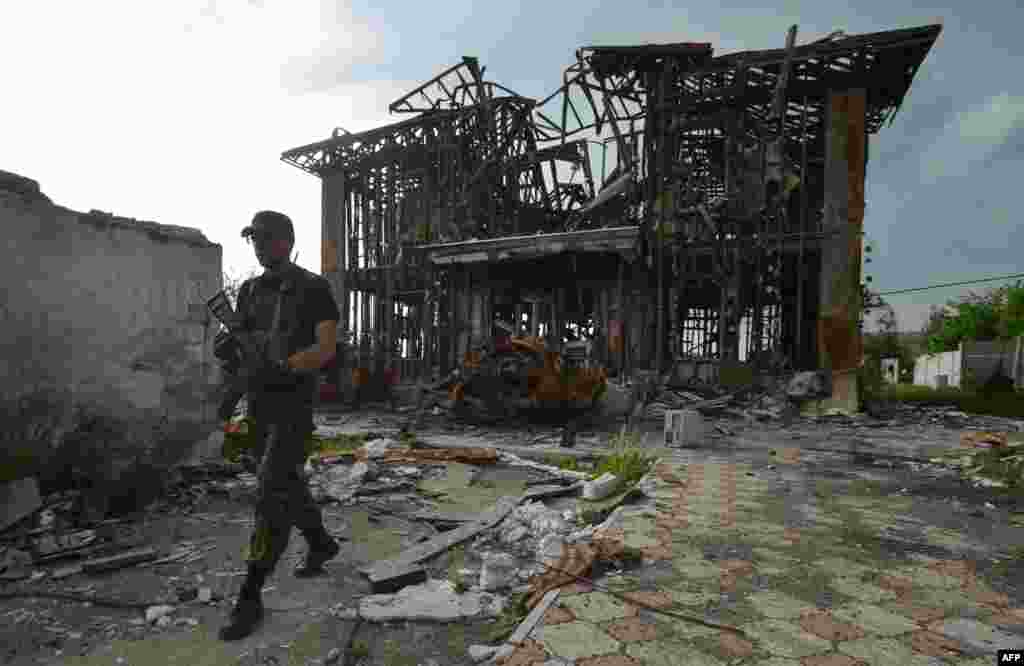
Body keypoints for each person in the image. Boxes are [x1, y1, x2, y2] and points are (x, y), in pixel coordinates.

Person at [218, 210, 342, 641]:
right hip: (258, 405)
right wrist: (229, 350)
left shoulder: (314, 288)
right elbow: (243, 345)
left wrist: (289, 365)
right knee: (286, 482)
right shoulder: (249, 291)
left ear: (287, 241)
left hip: (292, 404)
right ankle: (321, 542)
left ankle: (250, 595)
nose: (257, 245)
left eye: (266, 238)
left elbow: (327, 346)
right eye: (253, 238)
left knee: (271, 491)